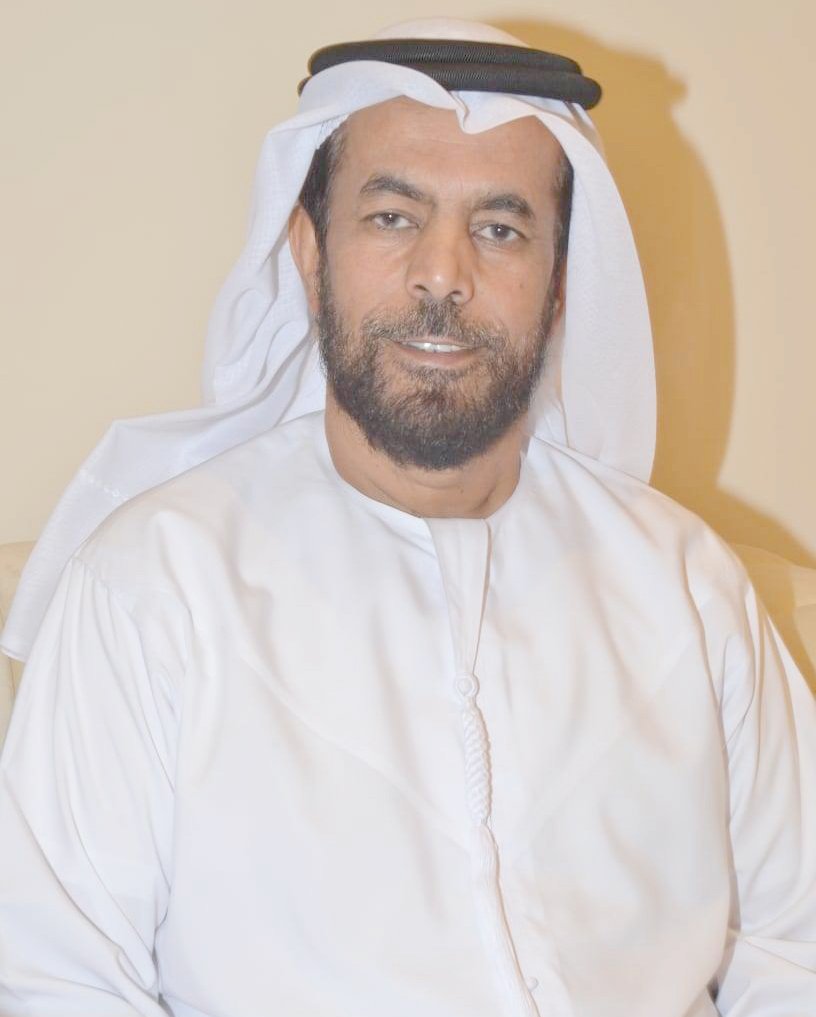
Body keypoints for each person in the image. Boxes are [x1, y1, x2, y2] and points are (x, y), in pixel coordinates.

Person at [0, 17, 814, 1017]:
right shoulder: (153, 587)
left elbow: (798, 946)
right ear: (309, 256)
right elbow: (55, 980)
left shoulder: (687, 584)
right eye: (393, 217)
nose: (443, 274)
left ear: (560, 284)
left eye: (501, 228)